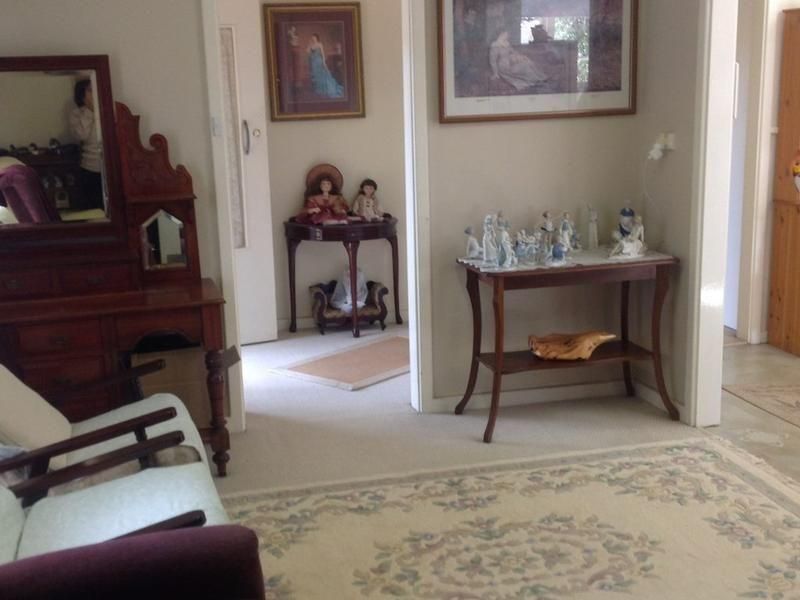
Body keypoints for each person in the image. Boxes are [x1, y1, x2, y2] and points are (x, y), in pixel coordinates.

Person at [69, 78, 104, 209]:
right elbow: (81, 135)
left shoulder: (106, 109)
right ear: (82, 94)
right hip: (89, 167)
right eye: (90, 90)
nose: (94, 93)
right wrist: (90, 111)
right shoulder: (77, 114)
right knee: (92, 205)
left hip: (110, 167)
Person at [307, 34, 343, 98]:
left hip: (319, 61)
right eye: (312, 38)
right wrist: (309, 44)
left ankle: (325, 89)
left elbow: (322, 54)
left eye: (314, 38)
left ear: (317, 38)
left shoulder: (320, 44)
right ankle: (319, 89)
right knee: (316, 75)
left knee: (322, 74)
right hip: (313, 62)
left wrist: (324, 62)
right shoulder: (311, 45)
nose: (313, 39)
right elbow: (307, 52)